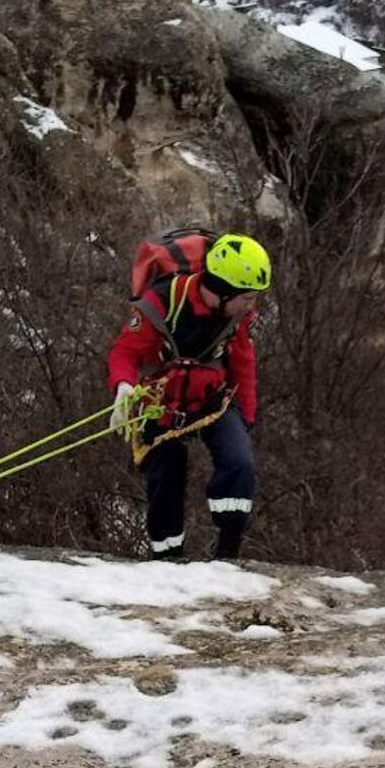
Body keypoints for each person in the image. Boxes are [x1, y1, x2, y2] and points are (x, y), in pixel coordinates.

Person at [107, 233, 269, 560]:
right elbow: (124, 352)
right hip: (162, 404)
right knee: (166, 476)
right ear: (224, 293)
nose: (253, 305)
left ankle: (228, 555)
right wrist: (123, 386)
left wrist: (245, 420)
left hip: (213, 400)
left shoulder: (237, 316)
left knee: (239, 464)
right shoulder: (163, 302)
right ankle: (167, 559)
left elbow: (243, 363)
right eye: (248, 297)